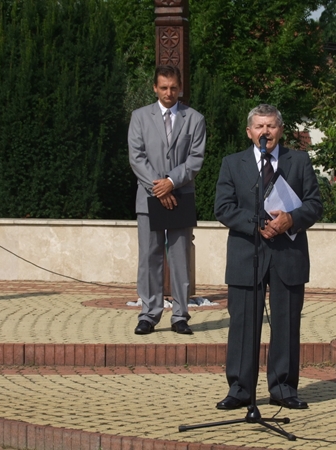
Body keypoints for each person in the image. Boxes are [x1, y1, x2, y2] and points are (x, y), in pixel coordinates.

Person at [213, 104, 323, 410]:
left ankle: (283, 388)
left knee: (286, 324)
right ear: (249, 132)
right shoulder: (232, 164)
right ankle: (240, 389)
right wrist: (256, 223)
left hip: (288, 255)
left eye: (271, 126)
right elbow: (223, 207)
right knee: (243, 325)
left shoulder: (298, 161)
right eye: (259, 126)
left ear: (281, 130)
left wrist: (291, 219)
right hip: (247, 255)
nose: (265, 132)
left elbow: (315, 204)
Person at [128, 65, 206, 335]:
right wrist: (158, 187)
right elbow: (136, 157)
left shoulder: (194, 119)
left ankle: (180, 315)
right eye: (163, 87)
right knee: (149, 258)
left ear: (180, 88)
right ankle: (149, 314)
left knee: (180, 258)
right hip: (148, 197)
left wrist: (171, 182)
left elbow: (195, 159)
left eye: (173, 88)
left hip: (181, 196)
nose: (169, 92)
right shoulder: (139, 117)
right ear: (155, 88)